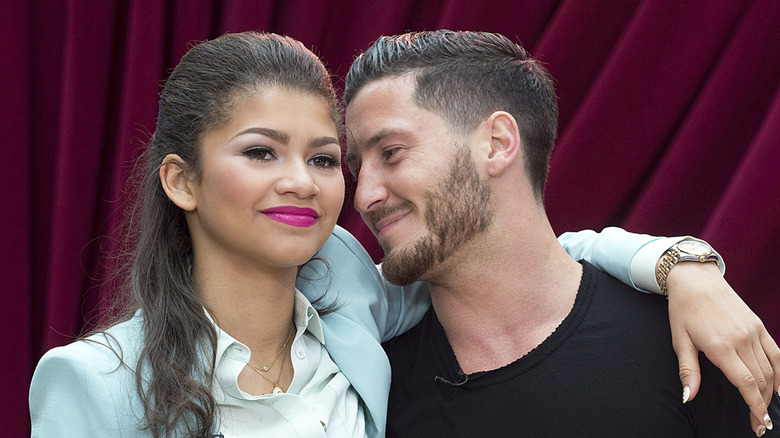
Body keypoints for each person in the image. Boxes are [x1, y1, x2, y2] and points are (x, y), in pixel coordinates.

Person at [28, 31, 775, 437]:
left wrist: (679, 264)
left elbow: (541, 262)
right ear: (181, 180)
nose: (322, 184)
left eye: (329, 159)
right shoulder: (91, 380)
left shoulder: (348, 299)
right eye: (261, 151)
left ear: (496, 144)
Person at [342, 30, 780, 437]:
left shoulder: (690, 338)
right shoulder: (359, 382)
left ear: (496, 143)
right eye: (358, 168)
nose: (364, 197)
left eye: (392, 152)